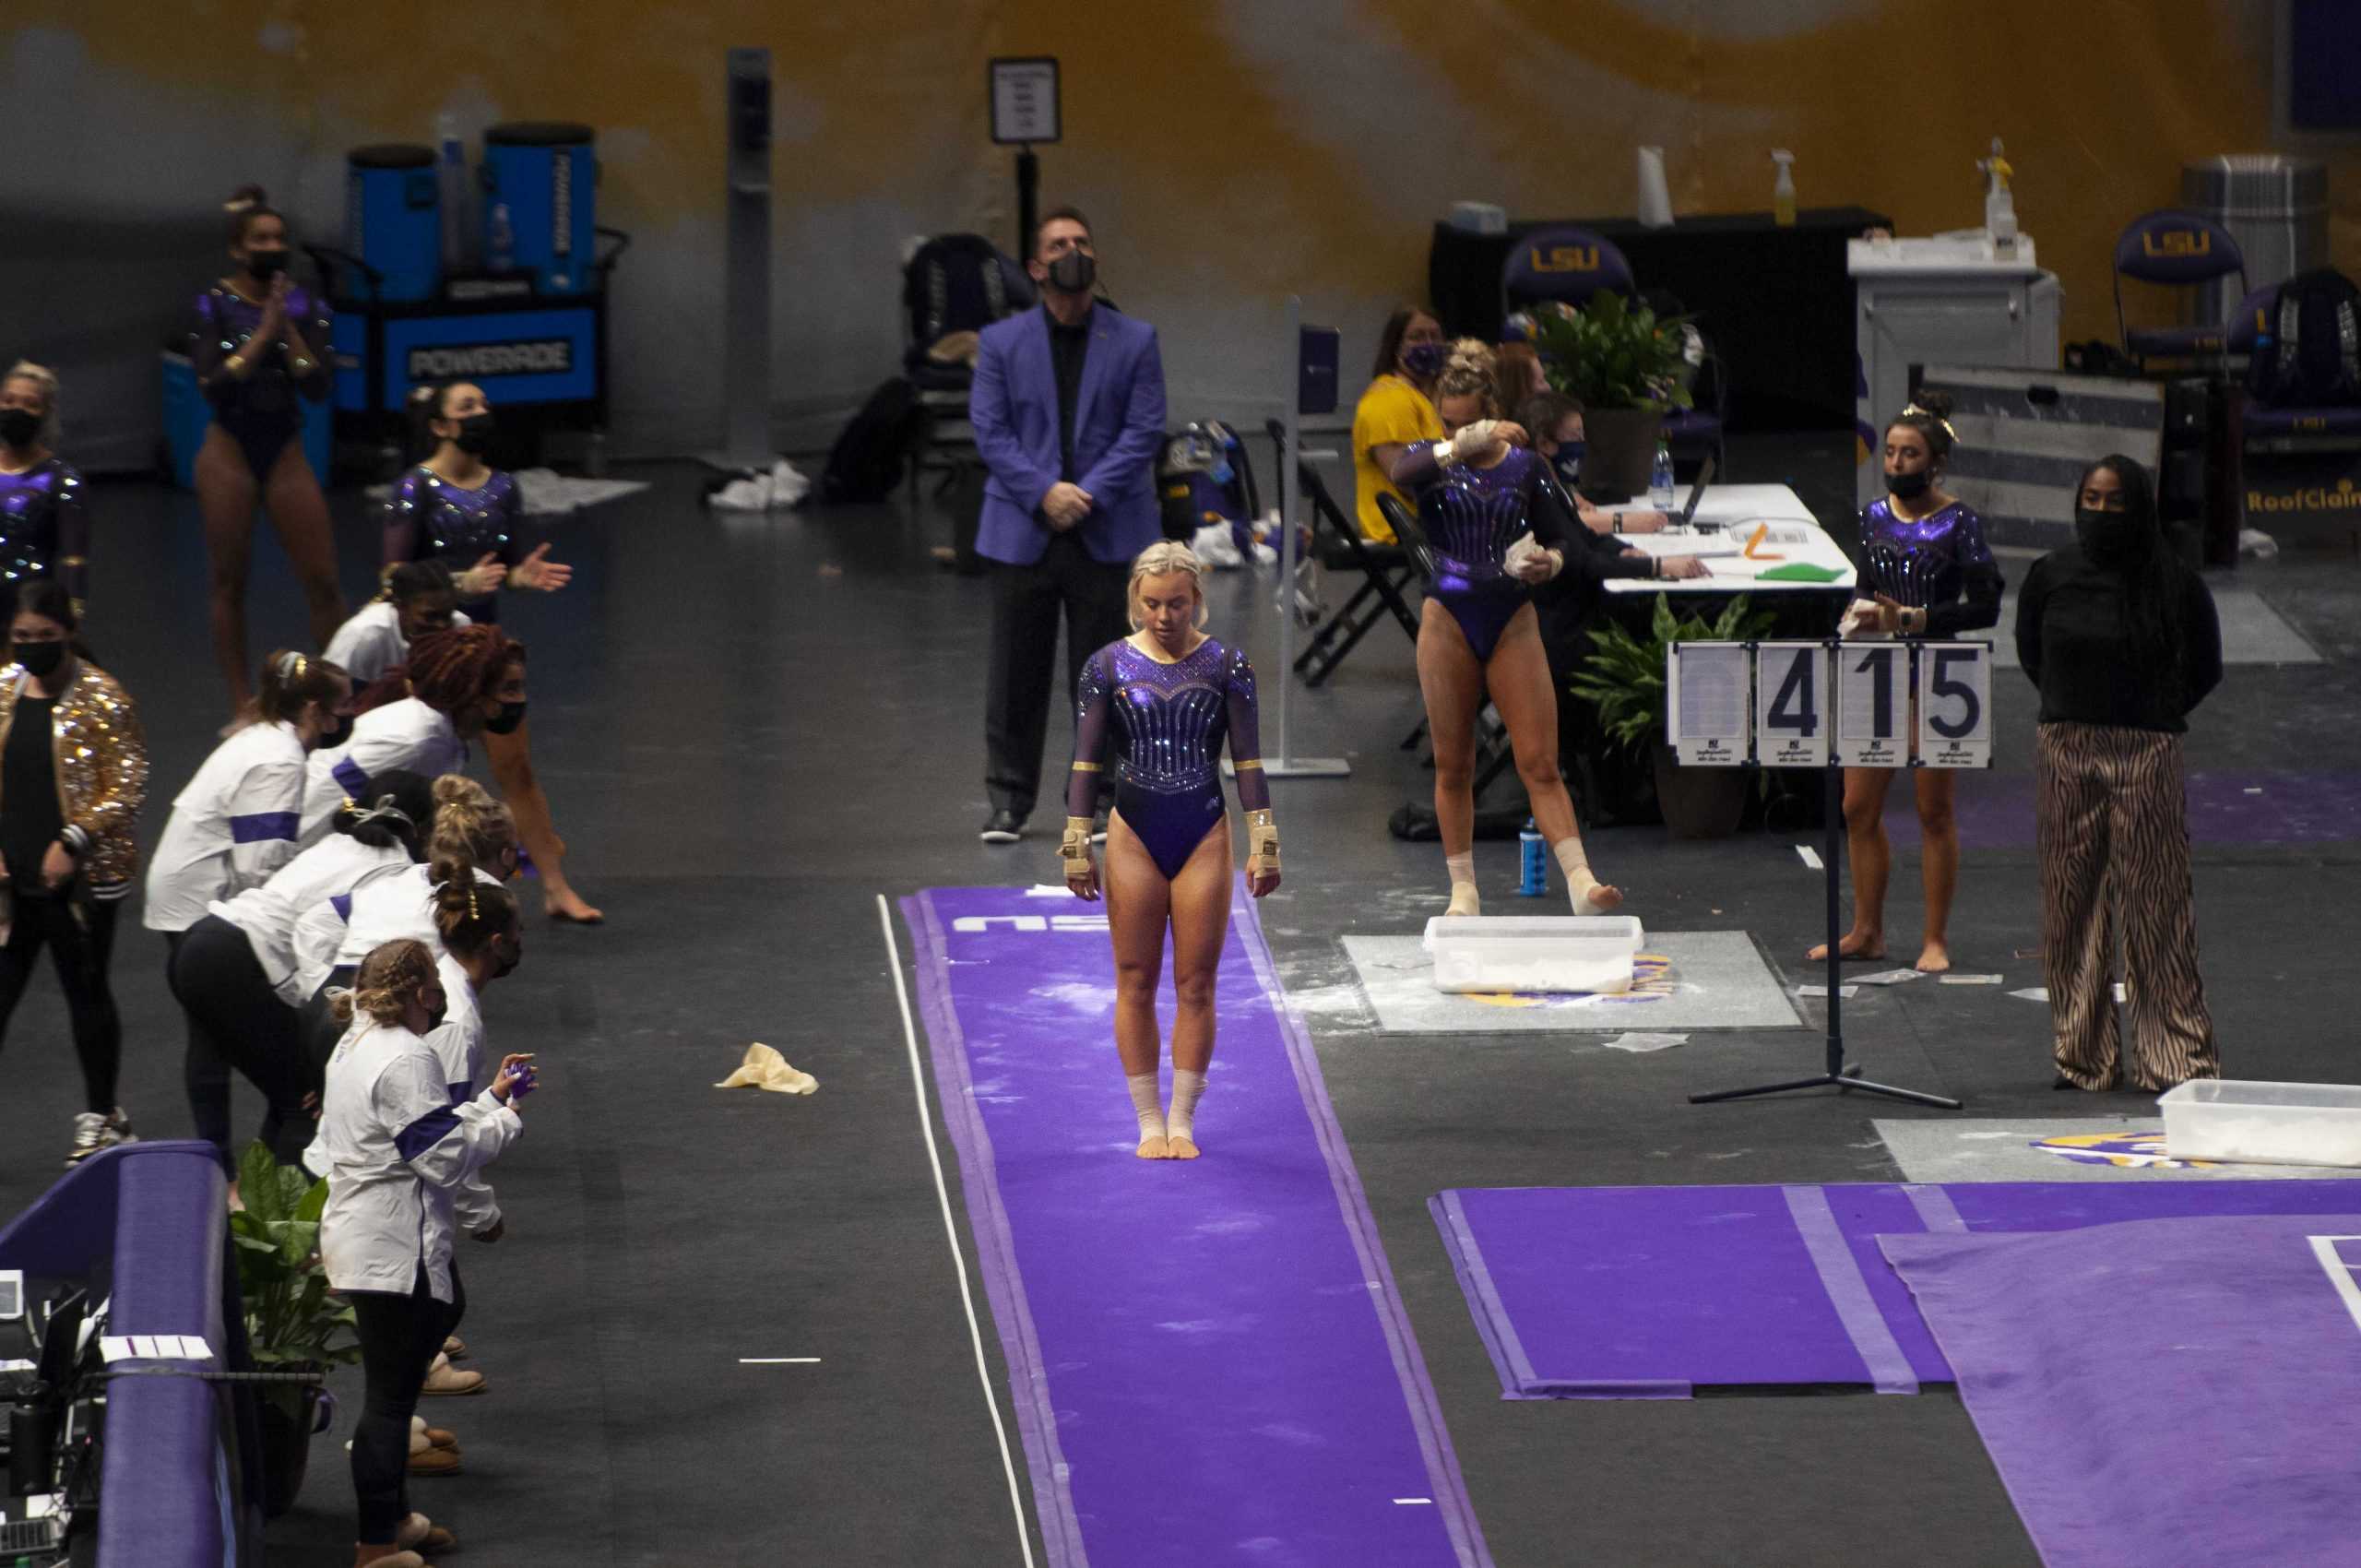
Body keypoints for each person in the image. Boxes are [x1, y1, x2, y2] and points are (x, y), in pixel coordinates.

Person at [1393, 342, 1667, 917]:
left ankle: (1580, 882)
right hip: (1448, 618)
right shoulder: (1433, 461)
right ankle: (1463, 888)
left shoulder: (1525, 468)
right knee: (1454, 764)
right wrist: (1461, 443)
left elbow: (1568, 536)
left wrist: (1554, 563)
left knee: (1539, 761)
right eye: (1449, 422)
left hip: (1512, 619)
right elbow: (1403, 469)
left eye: (1469, 421)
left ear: (1490, 410)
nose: (1458, 432)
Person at [316, 937, 530, 1568]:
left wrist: (489, 1099)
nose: (441, 1003)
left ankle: (396, 1521)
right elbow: (439, 1158)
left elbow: (428, 1128)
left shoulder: (355, 1043)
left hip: (369, 1236)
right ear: (417, 994)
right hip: (392, 1244)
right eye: (435, 991)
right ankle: (376, 1544)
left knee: (404, 1378)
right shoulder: (407, 1057)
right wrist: (507, 1120)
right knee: (388, 1399)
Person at [1061, 542, 1278, 1160]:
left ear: (1197, 598)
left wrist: (1264, 839)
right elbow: (1086, 761)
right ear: (1136, 600)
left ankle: (1181, 1120)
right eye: (1152, 603)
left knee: (1196, 981)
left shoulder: (1227, 665)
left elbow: (1248, 761)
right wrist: (1077, 839)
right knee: (1134, 976)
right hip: (1134, 831)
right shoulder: (1106, 666)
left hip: (1204, 831)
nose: (1163, 615)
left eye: (1176, 603)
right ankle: (1147, 1120)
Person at [2017, 455, 2222, 1092]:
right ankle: (2082, 1055)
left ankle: (2172, 1057)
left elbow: (2204, 667)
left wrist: (2152, 715)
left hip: (2149, 749)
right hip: (2066, 747)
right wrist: (2074, 712)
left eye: (2114, 501)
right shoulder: (2049, 575)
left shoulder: (2175, 582)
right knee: (2071, 900)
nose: (2101, 512)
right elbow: (2032, 655)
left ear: (2140, 506)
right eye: (2091, 499)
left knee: (2156, 905)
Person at [971, 206, 1167, 845]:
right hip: (1024, 530)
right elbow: (991, 432)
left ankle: (1102, 800)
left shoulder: (1135, 339)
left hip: (1104, 529)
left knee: (1103, 677)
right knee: (1013, 675)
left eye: (1082, 241)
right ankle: (1009, 802)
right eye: (1058, 244)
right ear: (1036, 267)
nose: (1072, 251)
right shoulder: (1001, 343)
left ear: (1096, 259)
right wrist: (1044, 493)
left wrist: (1084, 495)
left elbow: (1143, 431)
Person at [386, 382, 593, 921]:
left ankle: (554, 885)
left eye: (484, 406)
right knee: (425, 778)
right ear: (439, 426)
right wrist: (460, 583)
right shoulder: (416, 487)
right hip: (433, 658)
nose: (482, 414)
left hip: (487, 653)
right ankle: (411, 893)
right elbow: (392, 578)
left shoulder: (503, 488)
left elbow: (509, 567)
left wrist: (521, 578)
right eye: (467, 407)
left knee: (516, 769)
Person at [1813, 396, 2003, 973]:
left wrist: (1915, 620)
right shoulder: (1872, 517)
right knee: (1857, 807)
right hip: (1876, 671)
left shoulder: (1960, 522)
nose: (1896, 462)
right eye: (1891, 452)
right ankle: (1866, 930)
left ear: (1935, 463)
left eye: (1910, 453)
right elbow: (1867, 585)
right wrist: (1856, 616)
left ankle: (1935, 939)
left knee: (1932, 810)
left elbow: (1988, 606)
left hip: (1938, 674)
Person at [146, 649, 351, 1162]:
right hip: (200, 895)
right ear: (311, 709)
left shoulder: (262, 739)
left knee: (212, 1029)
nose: (344, 719)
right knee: (215, 1027)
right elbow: (260, 861)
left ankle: (216, 1154)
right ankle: (219, 1158)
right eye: (338, 708)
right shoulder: (280, 760)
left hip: (186, 885)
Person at [182, 773, 436, 1173]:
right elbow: (315, 931)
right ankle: (276, 1228)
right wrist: (315, 1017)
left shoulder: (338, 841)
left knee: (259, 1080)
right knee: (306, 1103)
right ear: (422, 828)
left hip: (200, 942)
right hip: (237, 960)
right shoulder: (395, 867)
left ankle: (218, 1191)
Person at [0, 582, 146, 1164]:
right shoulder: (4, 690)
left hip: (78, 879)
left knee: (85, 992)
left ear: (68, 635)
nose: (32, 647)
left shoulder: (103, 699)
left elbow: (129, 782)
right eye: (21, 638)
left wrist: (74, 839)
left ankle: (105, 1117)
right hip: (12, 882)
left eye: (45, 637)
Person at [190, 185, 345, 713]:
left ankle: (333, 697)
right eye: (260, 239)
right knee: (229, 580)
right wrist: (263, 334)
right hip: (229, 449)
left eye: (279, 238)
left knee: (323, 580)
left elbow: (317, 385)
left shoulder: (306, 304)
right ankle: (241, 702)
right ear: (239, 249)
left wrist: (289, 332)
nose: (272, 246)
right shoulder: (213, 303)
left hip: (284, 448)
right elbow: (213, 384)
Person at [294, 779, 516, 1073]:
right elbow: (466, 986)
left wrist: (328, 993)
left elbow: (314, 922)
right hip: (373, 1024)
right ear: (506, 855)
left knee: (309, 1113)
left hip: (327, 1013)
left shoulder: (403, 876)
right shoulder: (488, 898)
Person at [298, 624, 525, 845]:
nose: (520, 699)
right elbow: (329, 794)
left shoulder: (446, 735)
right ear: (473, 692)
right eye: (510, 689)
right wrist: (286, 866)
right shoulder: (416, 740)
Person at [0, 363, 92, 618]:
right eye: (8, 401)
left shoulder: (62, 481)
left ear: (45, 414)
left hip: (31, 608)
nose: (16, 410)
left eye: (30, 404)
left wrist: (71, 617)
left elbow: (74, 560)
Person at [1350, 305, 1447, 546]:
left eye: (1435, 336)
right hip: (1403, 528)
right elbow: (1406, 479)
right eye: (1417, 337)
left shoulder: (1420, 396)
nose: (1428, 344)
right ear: (1395, 347)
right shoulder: (1388, 400)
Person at [1518, 391, 1671, 535]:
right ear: (1544, 444)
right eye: (1574, 435)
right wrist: (1625, 521)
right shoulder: (1528, 477)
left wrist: (1576, 501)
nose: (1581, 442)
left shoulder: (1554, 478)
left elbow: (1570, 508)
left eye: (1582, 433)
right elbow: (1562, 520)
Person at [326, 562, 469, 688]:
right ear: (400, 607)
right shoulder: (363, 636)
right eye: (430, 616)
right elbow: (327, 695)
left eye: (447, 615)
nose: (442, 626)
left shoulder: (461, 626)